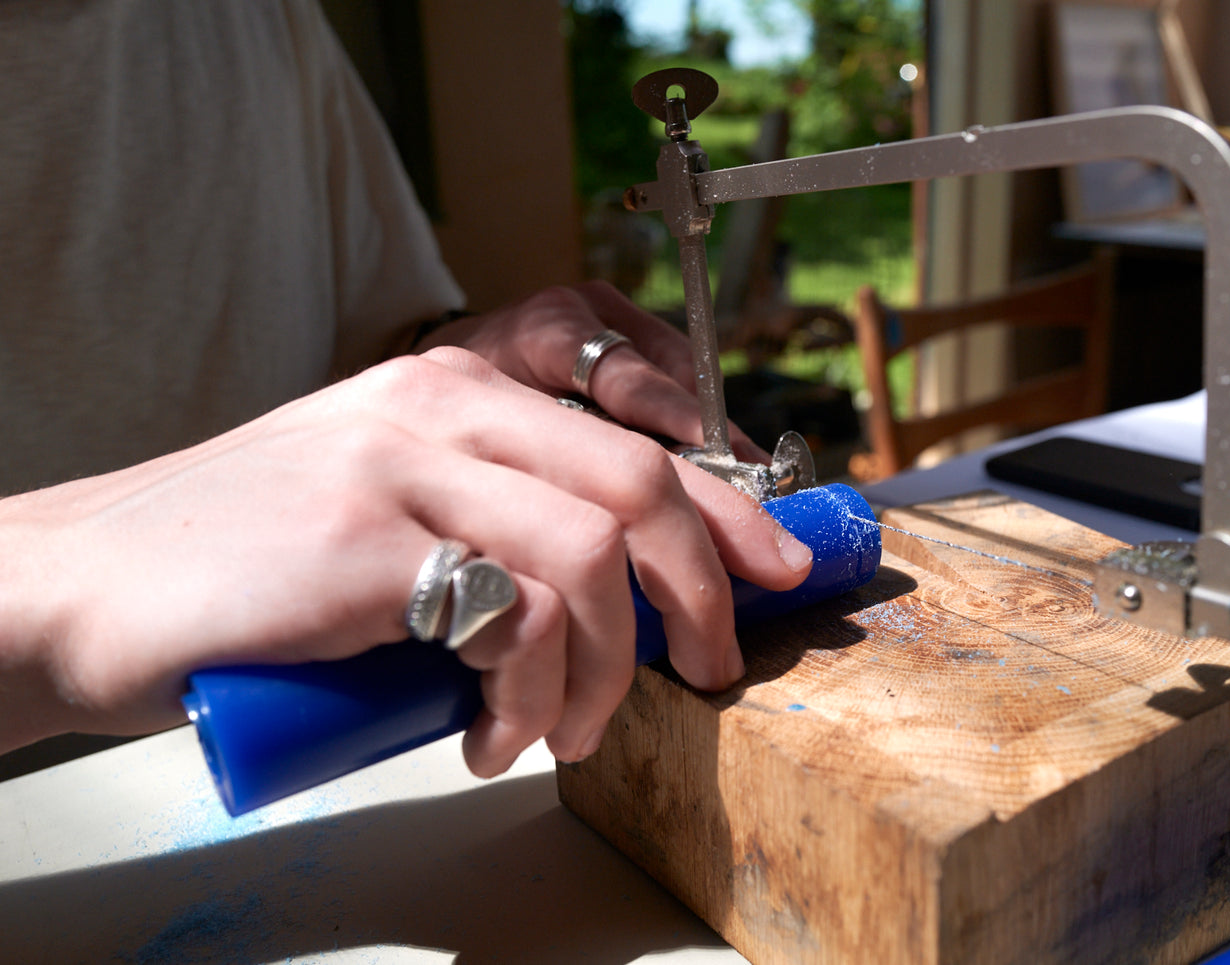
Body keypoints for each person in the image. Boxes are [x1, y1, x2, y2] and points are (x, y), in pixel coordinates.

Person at [0, 0, 812, 779]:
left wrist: (447, 361)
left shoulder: (252, 14)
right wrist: (47, 590)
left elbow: (362, 344)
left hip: (376, 780)